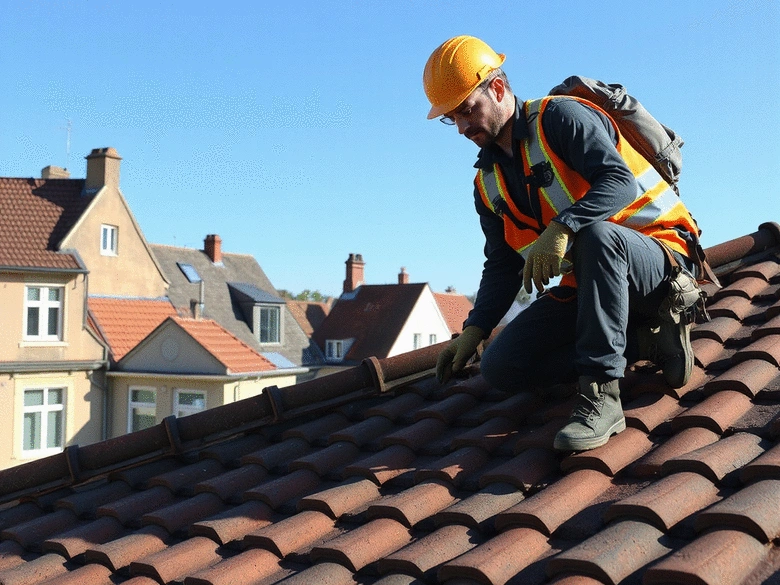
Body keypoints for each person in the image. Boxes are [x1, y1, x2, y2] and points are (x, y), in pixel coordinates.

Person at [427, 36, 707, 451]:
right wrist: (475, 330)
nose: (464, 127)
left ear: (498, 89)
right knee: (501, 368)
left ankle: (601, 397)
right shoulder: (487, 183)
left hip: (662, 261)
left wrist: (563, 228)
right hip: (596, 284)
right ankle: (645, 341)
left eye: (468, 109)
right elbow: (502, 265)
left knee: (596, 236)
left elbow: (619, 182)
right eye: (453, 118)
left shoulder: (560, 118)